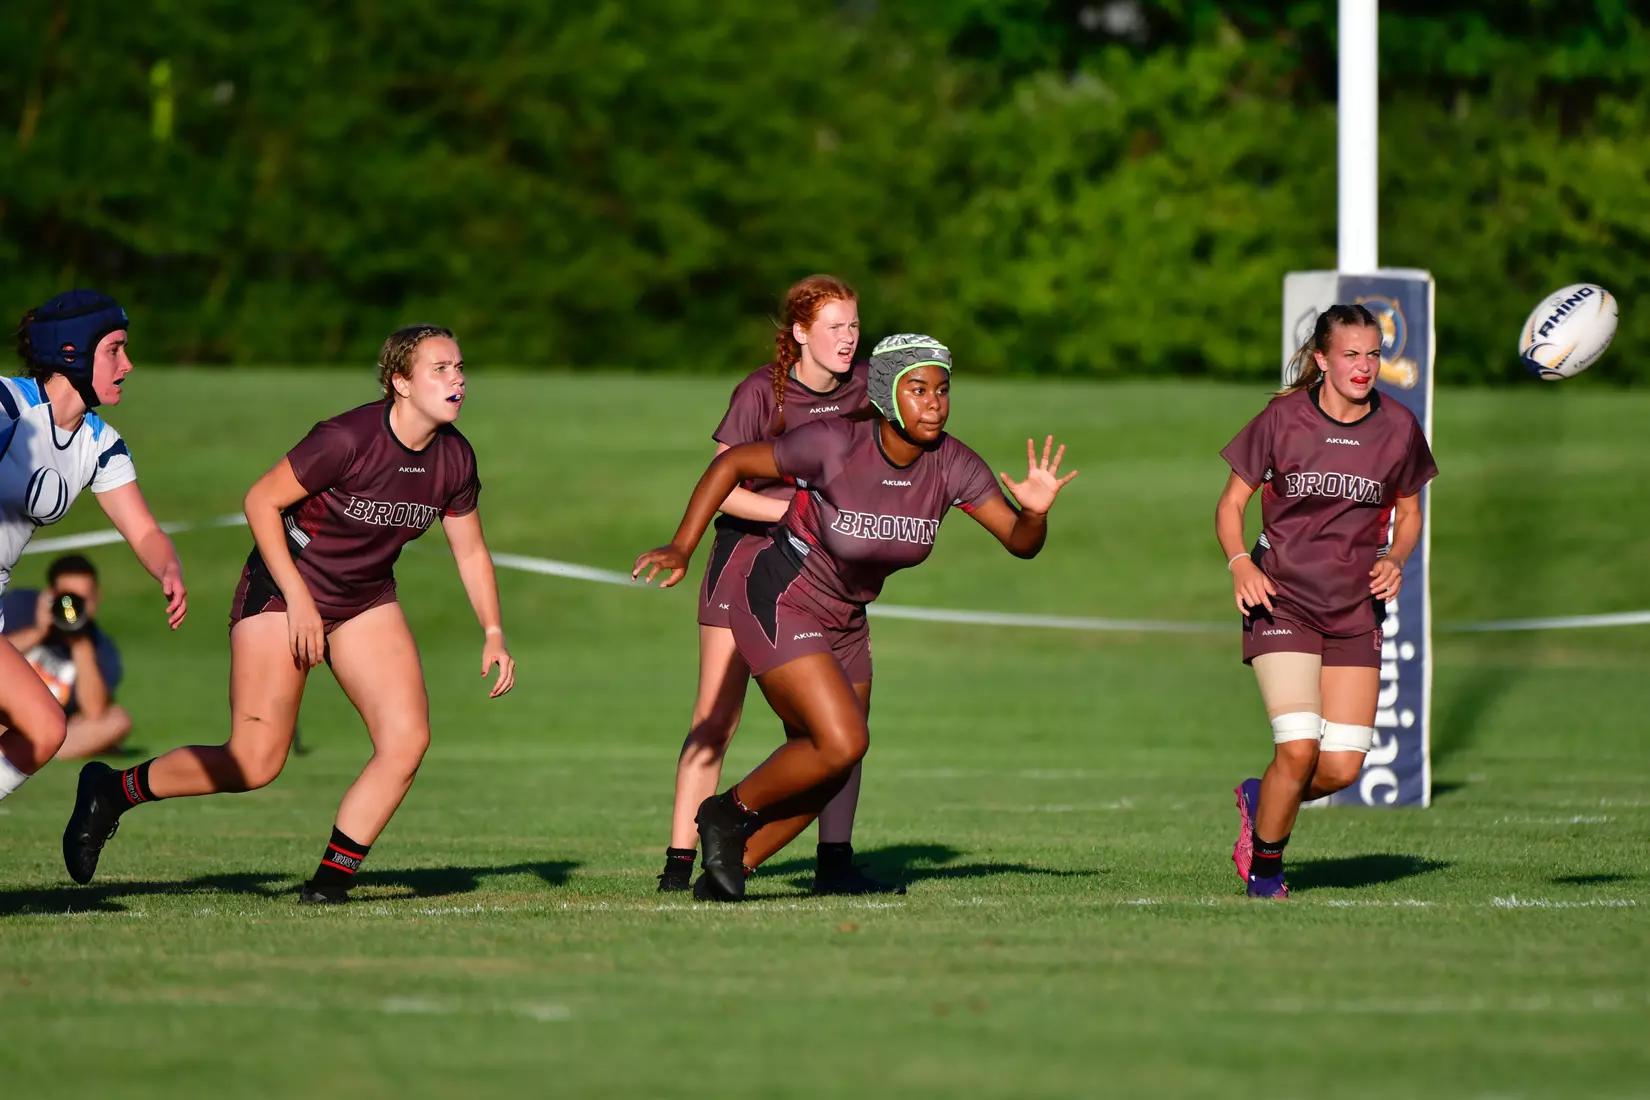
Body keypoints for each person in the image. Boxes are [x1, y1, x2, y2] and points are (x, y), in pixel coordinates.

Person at [63, 324, 516, 904]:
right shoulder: (347, 437)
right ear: (400, 383)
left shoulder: (455, 457)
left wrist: (494, 631)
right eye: (440, 369)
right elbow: (260, 501)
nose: (457, 380)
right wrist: (300, 600)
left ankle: (328, 886)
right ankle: (111, 790)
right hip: (281, 591)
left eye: (459, 368)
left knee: (406, 740)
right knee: (254, 763)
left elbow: (472, 550)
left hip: (363, 599)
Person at [634, 334, 1076, 901]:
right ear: (887, 395)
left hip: (847, 619)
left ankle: (729, 871)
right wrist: (682, 545)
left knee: (833, 764)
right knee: (842, 740)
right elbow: (734, 465)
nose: (935, 403)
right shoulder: (833, 444)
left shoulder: (953, 463)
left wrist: (1034, 514)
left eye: (943, 390)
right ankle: (725, 811)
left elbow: (1020, 542)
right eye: (918, 389)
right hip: (780, 595)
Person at [658, 274, 894, 896]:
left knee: (839, 727)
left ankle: (835, 863)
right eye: (833, 327)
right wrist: (800, 510)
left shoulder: (866, 388)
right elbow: (725, 484)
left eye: (853, 326)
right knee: (716, 718)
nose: (848, 339)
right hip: (745, 560)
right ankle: (678, 866)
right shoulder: (762, 393)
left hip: (821, 577)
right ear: (799, 333)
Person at [1215, 304, 1437, 899]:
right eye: (1350, 355)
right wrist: (1240, 563)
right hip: (1281, 601)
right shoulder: (1282, 419)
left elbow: (1410, 513)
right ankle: (1266, 873)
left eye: (1372, 355)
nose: (1363, 367)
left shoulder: (1399, 427)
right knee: (1298, 746)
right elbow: (1230, 506)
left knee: (1339, 769)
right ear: (1322, 359)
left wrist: (1394, 559)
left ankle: (1262, 800)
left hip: (1353, 609)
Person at [0, 291, 187, 809]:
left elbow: (145, 532)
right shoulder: (7, 407)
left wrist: (167, 568)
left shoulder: (99, 443)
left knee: (42, 729)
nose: (128, 364)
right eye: (114, 350)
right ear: (71, 353)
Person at [3, 554, 131, 758]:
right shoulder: (21, 606)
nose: (73, 609)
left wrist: (80, 644)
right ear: (51, 595)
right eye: (68, 599)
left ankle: (37, 753)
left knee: (118, 720)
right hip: (7, 713)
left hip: (49, 727)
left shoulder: (101, 647)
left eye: (83, 600)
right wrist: (38, 631)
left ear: (97, 598)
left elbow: (94, 712)